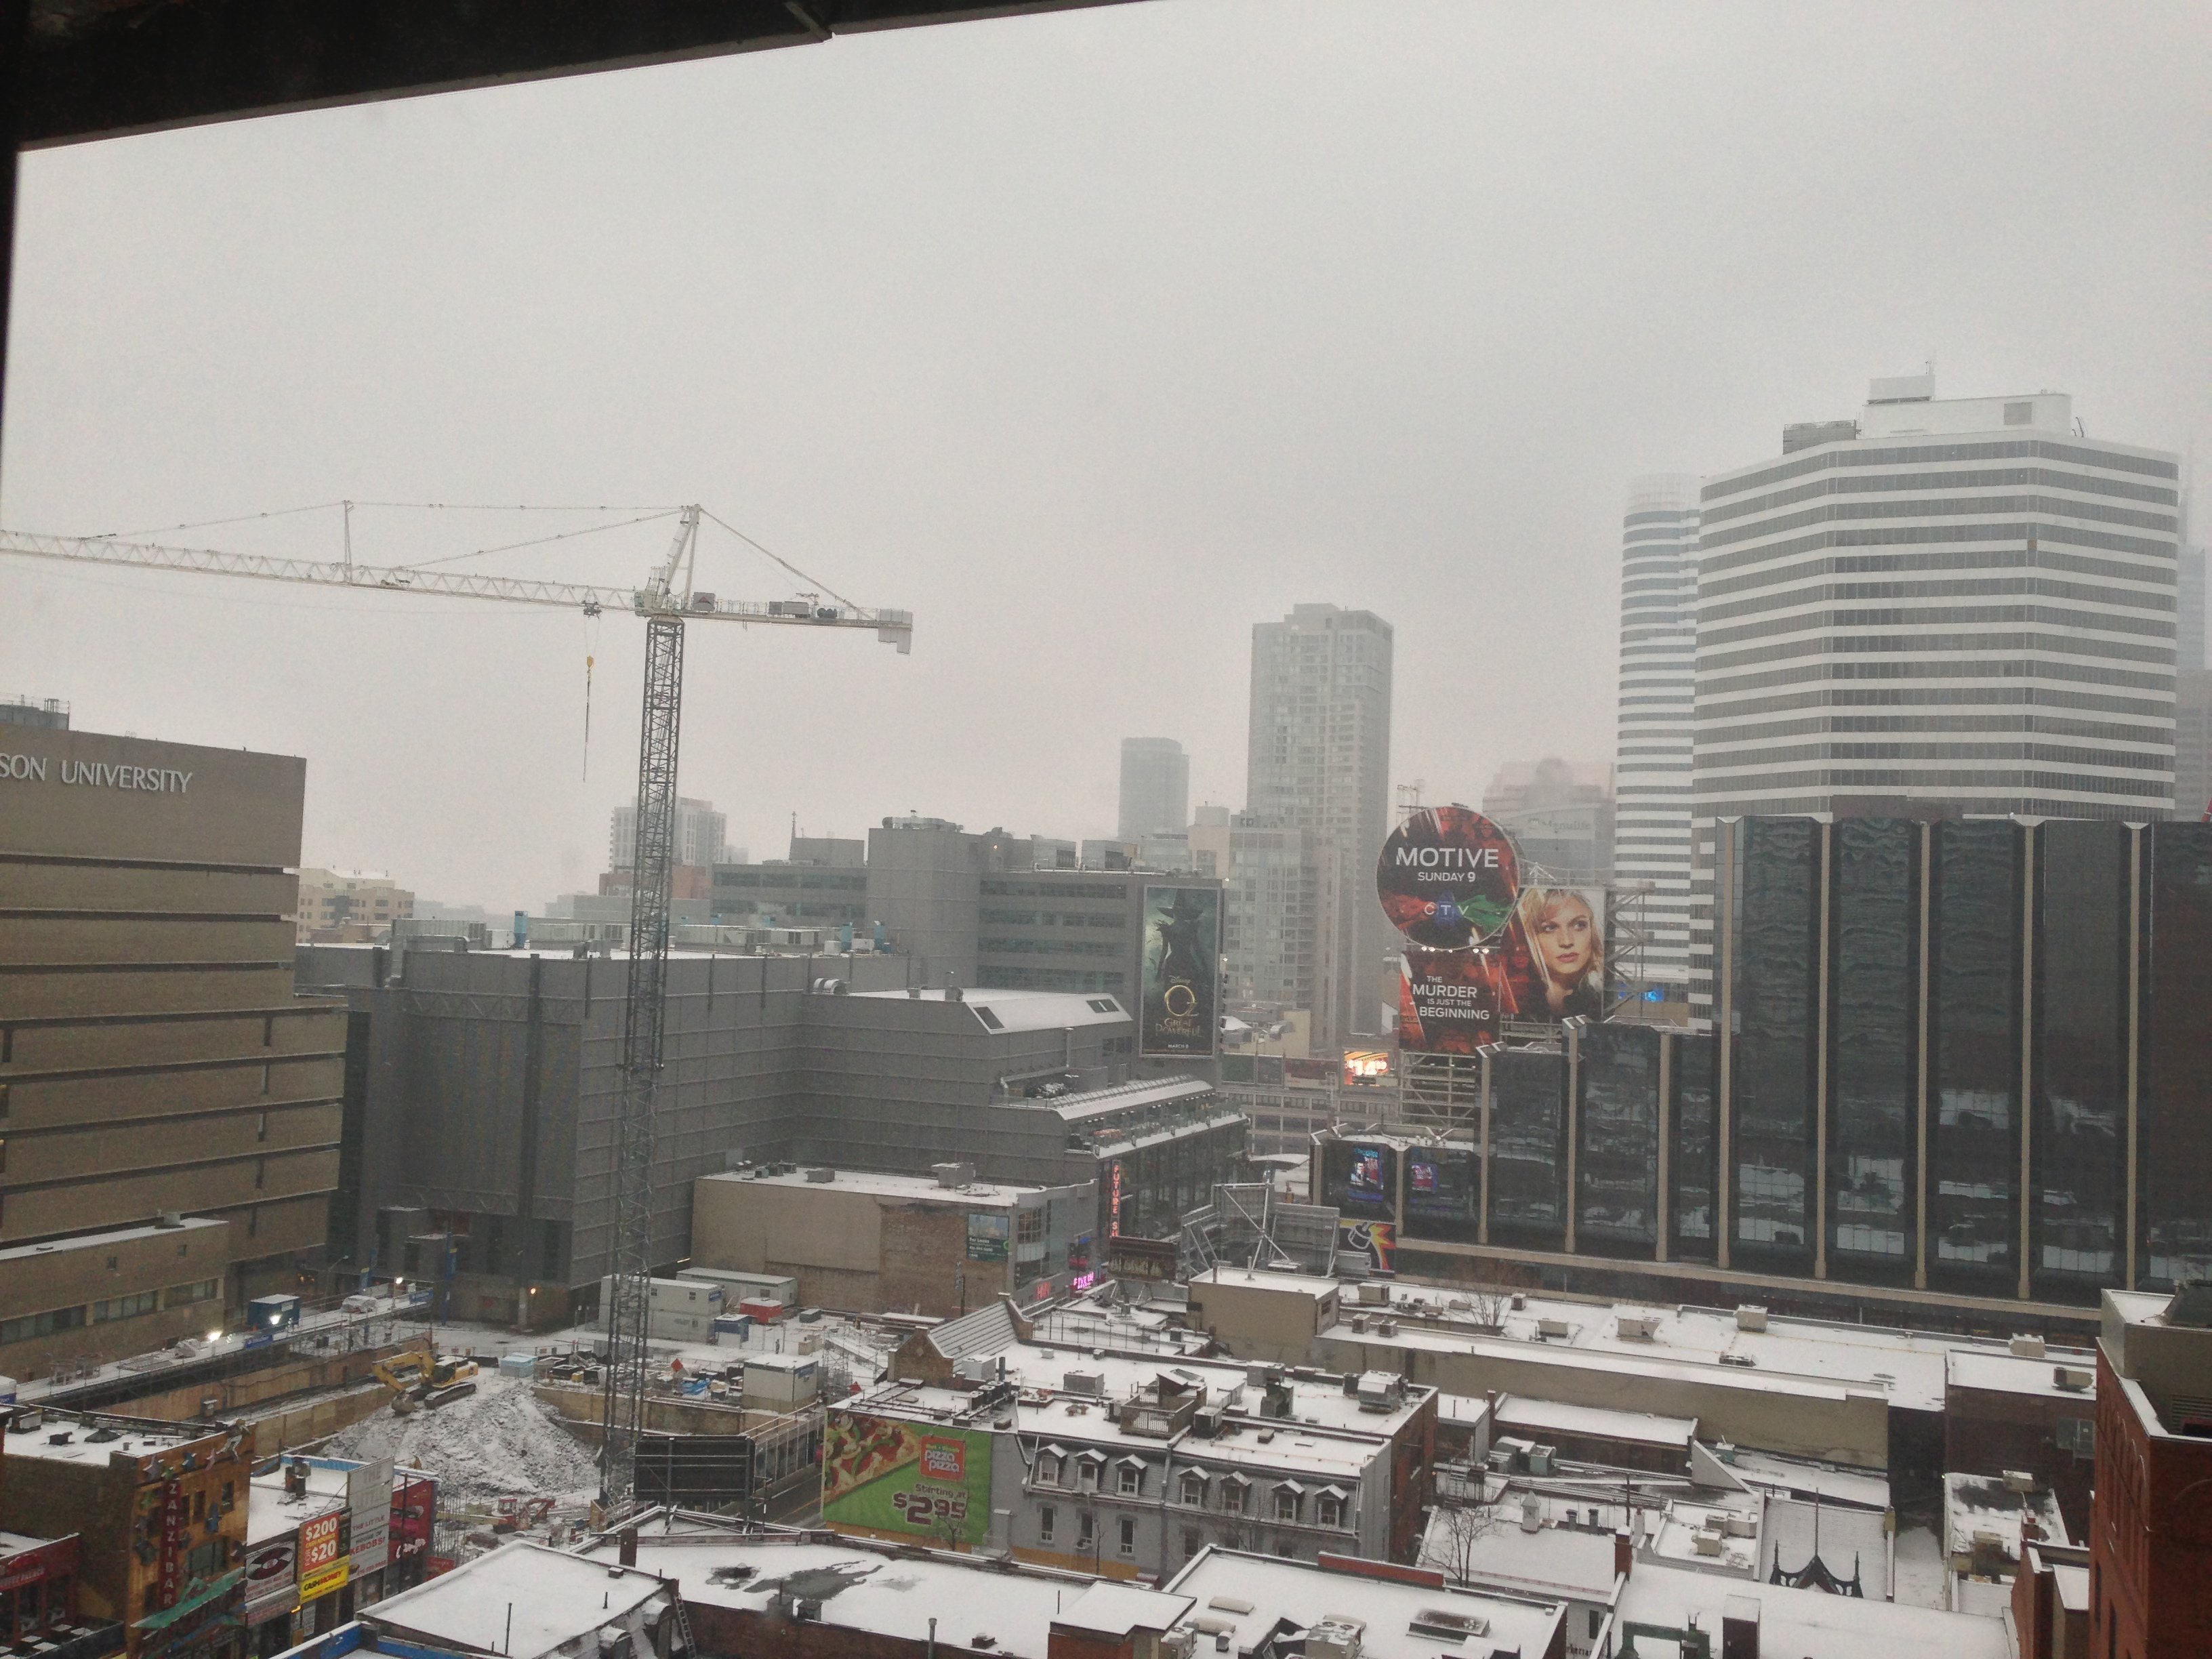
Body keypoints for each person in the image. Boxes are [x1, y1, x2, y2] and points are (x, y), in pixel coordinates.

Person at [1513, 887, 1605, 1021]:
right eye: (1549, 928)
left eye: (1579, 925)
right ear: (1529, 937)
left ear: (1594, 931)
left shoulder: (1603, 1001)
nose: (1566, 942)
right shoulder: (1511, 1003)